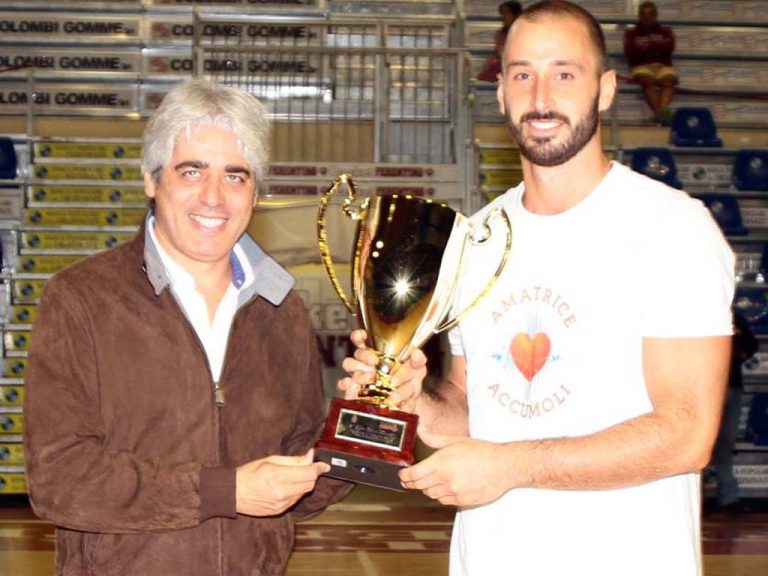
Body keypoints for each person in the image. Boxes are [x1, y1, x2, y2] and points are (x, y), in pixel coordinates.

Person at [341, 1, 734, 575]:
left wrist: (511, 466)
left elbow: (686, 435)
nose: (541, 97)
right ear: (501, 92)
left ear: (604, 89)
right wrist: (414, 400)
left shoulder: (670, 228)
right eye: (522, 74)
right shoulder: (476, 239)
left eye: (564, 74)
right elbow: (472, 409)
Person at [23, 78, 352, 575]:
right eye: (192, 171)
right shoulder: (81, 299)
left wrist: (368, 421)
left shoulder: (279, 308)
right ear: (151, 180)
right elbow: (59, 479)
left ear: (255, 194)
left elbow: (299, 478)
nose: (213, 197)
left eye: (235, 176)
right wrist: (225, 491)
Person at [708, 310, 758, 511]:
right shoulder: (699, 315)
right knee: (703, 442)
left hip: (731, 385)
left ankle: (727, 497)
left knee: (725, 443)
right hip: (707, 389)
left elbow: (752, 345)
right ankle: (704, 497)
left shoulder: (732, 315)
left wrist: (737, 353)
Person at [623, 1, 679, 125]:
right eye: (644, 14)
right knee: (648, 80)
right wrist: (656, 45)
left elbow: (670, 47)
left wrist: (647, 46)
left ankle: (659, 116)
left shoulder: (666, 31)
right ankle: (662, 115)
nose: (648, 17)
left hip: (663, 66)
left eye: (651, 14)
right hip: (641, 66)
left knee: (669, 80)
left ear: (656, 15)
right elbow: (630, 51)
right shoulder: (631, 33)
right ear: (639, 16)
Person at [476, 1, 523, 82]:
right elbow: (499, 52)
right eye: (502, 13)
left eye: (506, 13)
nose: (503, 16)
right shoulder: (500, 33)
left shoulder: (525, 32)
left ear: (515, 14)